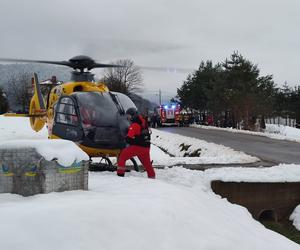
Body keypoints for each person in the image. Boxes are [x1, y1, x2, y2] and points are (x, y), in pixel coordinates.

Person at [117, 107, 156, 179]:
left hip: (138, 147)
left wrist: (124, 137)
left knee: (122, 157)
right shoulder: (143, 123)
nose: (128, 118)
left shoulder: (135, 124)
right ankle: (152, 178)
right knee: (147, 165)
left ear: (133, 115)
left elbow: (129, 138)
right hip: (146, 147)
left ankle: (120, 176)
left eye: (129, 116)